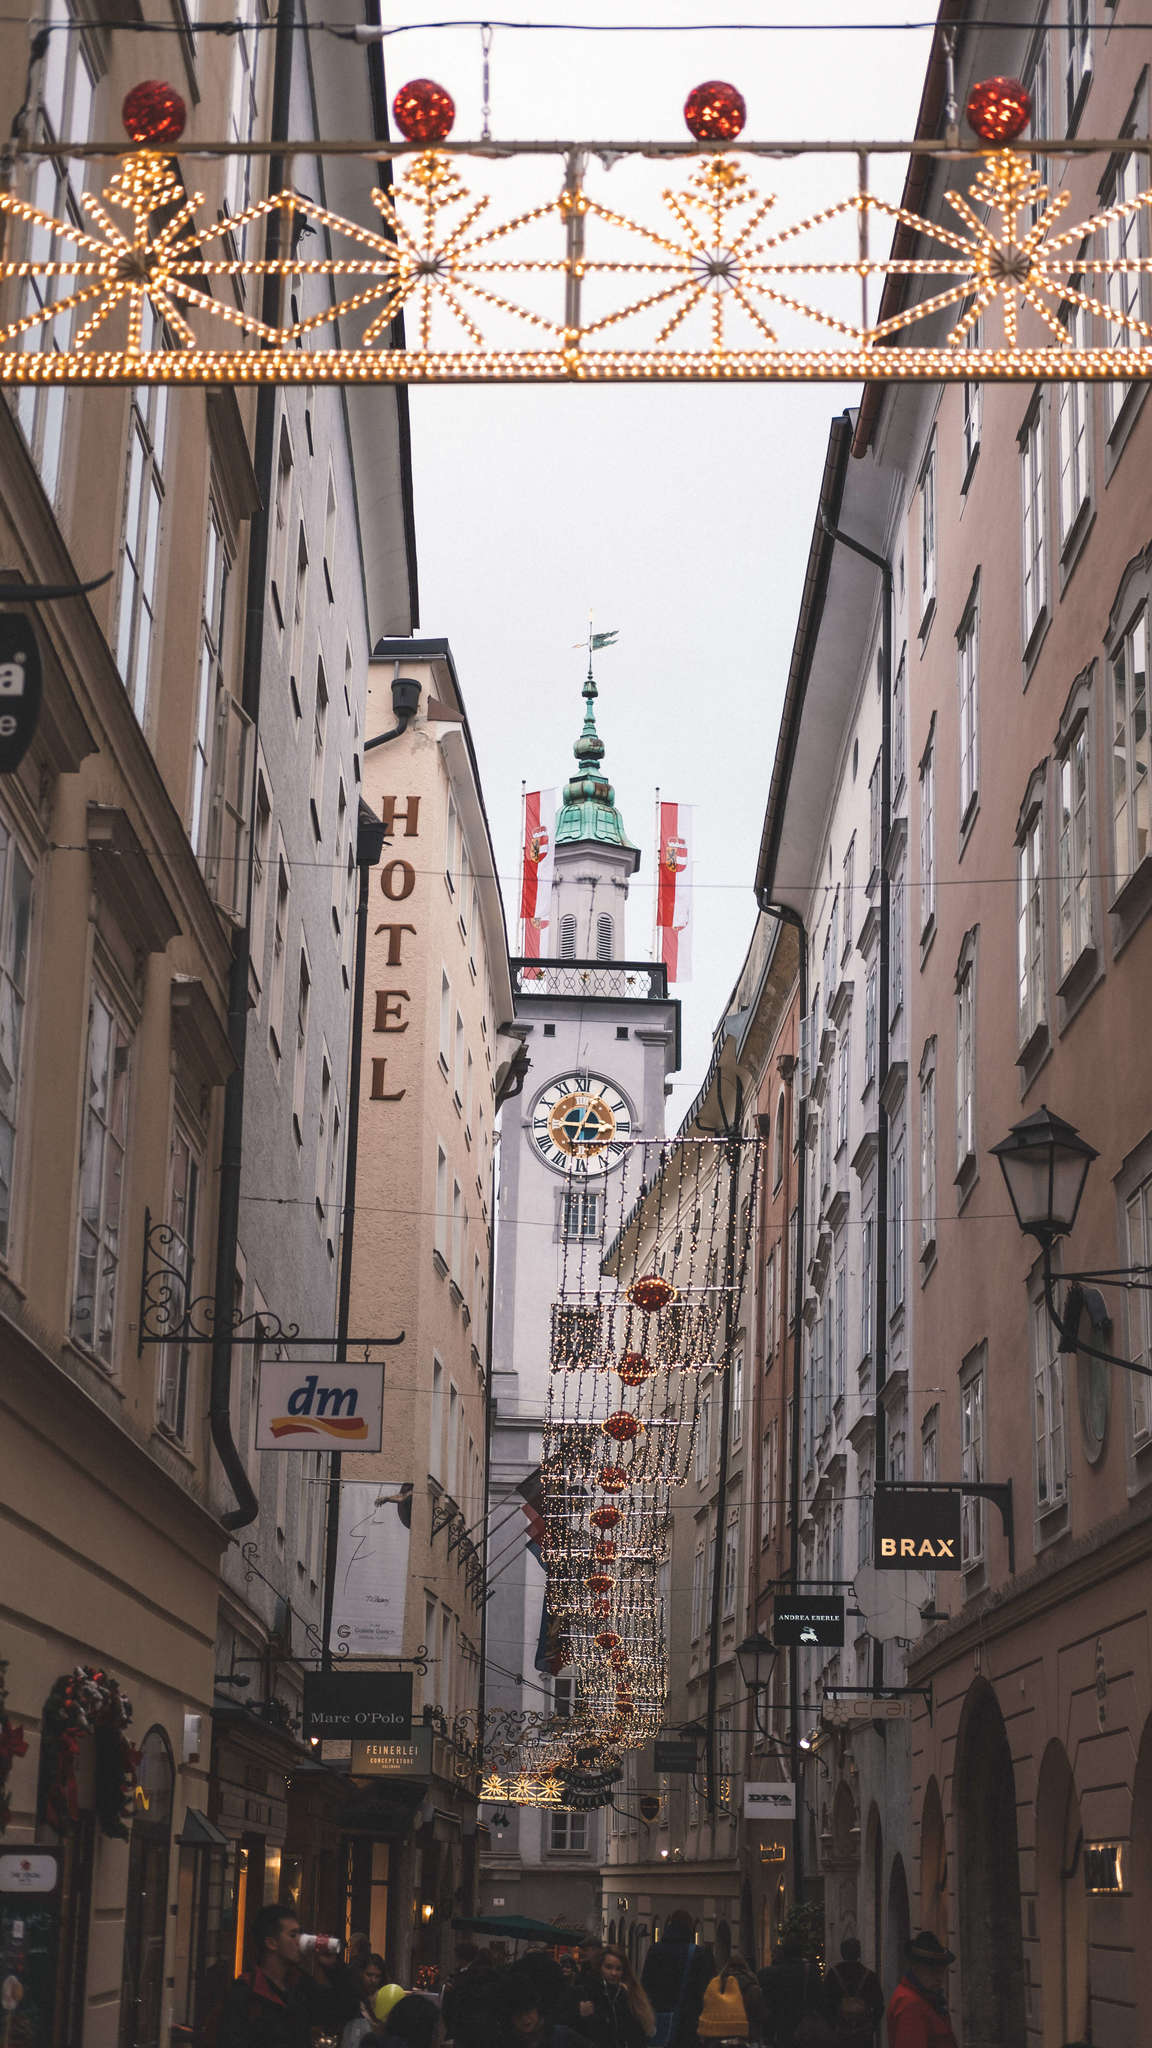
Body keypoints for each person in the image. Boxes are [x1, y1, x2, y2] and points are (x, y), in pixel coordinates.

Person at [215, 1904, 360, 2048]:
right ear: (271, 1943)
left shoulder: (300, 1985)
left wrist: (333, 1968)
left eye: (300, 1934)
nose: (300, 1940)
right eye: (293, 1935)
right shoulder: (246, 1992)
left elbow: (345, 2009)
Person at [885, 1933, 958, 2048]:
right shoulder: (910, 2004)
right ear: (915, 1967)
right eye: (933, 1971)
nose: (939, 1978)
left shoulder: (924, 1997)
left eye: (941, 1972)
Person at [576, 1945, 655, 2048]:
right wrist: (580, 2014)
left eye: (618, 1969)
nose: (614, 1973)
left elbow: (639, 2034)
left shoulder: (630, 1995)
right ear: (600, 1967)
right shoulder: (586, 1992)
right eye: (608, 1967)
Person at [758, 1933, 821, 2048]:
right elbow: (820, 2000)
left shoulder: (769, 1974)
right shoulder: (812, 1971)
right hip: (806, 2029)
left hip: (781, 2028)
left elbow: (766, 2002)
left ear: (783, 1953)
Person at [506, 1976, 593, 2048]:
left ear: (537, 2009)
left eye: (528, 2010)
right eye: (518, 2014)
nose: (524, 2018)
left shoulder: (560, 2035)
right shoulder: (506, 2042)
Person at [824, 1940, 883, 2046]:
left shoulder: (833, 1975)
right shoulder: (870, 1976)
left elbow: (825, 2004)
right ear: (859, 1953)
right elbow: (879, 2006)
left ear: (842, 1953)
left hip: (840, 2033)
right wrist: (871, 2026)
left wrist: (833, 2026)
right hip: (863, 2035)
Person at [343, 1955, 389, 2046]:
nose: (373, 1980)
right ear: (361, 1974)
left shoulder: (385, 1997)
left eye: (378, 1976)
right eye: (369, 1975)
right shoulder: (352, 1999)